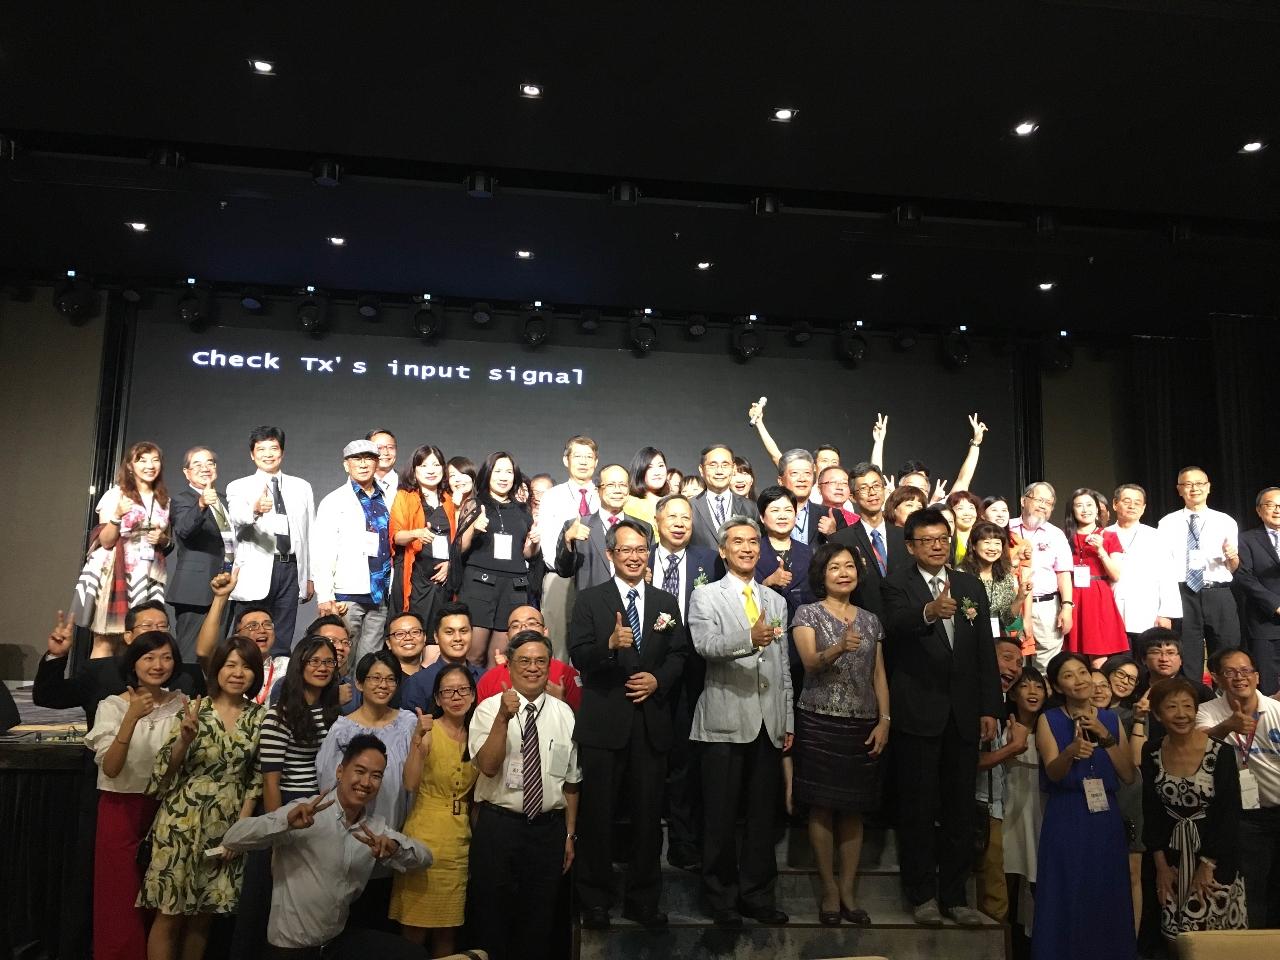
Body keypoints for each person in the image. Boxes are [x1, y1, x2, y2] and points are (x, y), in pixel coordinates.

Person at [882, 507, 1001, 927]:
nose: (936, 546)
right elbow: (894, 626)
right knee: (917, 807)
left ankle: (955, 896)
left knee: (960, 809)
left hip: (965, 713)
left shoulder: (970, 584)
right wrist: (929, 612)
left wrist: (990, 707)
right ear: (911, 546)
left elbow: (985, 648)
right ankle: (922, 895)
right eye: (927, 540)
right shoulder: (896, 583)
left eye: (942, 538)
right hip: (917, 711)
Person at [570, 518, 689, 928]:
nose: (635, 556)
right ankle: (595, 901)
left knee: (647, 819)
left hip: (651, 724)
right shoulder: (590, 600)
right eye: (626, 550)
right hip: (604, 722)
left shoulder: (665, 602)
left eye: (641, 549)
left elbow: (679, 654)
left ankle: (644, 901)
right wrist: (608, 647)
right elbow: (578, 654)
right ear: (610, 556)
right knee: (597, 816)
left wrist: (659, 680)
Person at [222, 734, 431, 959]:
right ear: (340, 772)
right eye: (359, 771)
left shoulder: (373, 828)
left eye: (376, 776)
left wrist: (394, 849)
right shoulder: (306, 813)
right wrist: (285, 823)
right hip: (289, 950)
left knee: (412, 953)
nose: (366, 782)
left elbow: (425, 858)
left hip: (334, 944)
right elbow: (233, 838)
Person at [688, 516, 792, 927]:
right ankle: (721, 900)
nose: (748, 548)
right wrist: (748, 639)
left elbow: (782, 665)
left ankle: (757, 896)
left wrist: (788, 721)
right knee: (720, 817)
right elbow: (705, 646)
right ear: (723, 550)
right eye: (738, 542)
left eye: (753, 542)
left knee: (762, 817)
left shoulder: (776, 600)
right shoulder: (705, 597)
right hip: (724, 721)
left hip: (769, 722)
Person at [140, 636, 266, 960]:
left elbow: (256, 777)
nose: (238, 673)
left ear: (256, 674)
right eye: (230, 665)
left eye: (246, 666)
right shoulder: (196, 709)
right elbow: (161, 773)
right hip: (181, 822)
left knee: (203, 917)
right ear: (217, 669)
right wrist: (183, 740)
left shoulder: (260, 717)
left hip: (226, 825)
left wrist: (239, 831)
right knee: (169, 913)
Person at [790, 542, 889, 926]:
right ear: (822, 575)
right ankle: (829, 890)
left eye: (850, 566)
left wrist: (885, 720)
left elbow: (878, 674)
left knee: (854, 809)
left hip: (863, 722)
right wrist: (838, 648)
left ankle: (849, 889)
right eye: (835, 567)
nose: (844, 572)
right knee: (822, 807)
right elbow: (811, 663)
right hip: (818, 720)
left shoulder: (870, 619)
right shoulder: (806, 613)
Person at [467, 630, 581, 960]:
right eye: (524, 661)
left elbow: (571, 782)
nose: (533, 668)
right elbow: (488, 767)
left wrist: (570, 834)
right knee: (492, 918)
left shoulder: (564, 714)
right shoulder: (488, 710)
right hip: (499, 826)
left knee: (540, 920)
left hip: (548, 830)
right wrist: (504, 717)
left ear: (549, 666)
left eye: (540, 661)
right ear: (510, 665)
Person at [234, 634, 340, 960]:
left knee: (308, 903)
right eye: (314, 661)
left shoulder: (334, 713)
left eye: (328, 662)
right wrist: (277, 828)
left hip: (323, 812)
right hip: (289, 806)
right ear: (300, 665)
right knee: (270, 902)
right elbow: (270, 780)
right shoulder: (278, 715)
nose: (322, 667)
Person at [84, 631, 188, 960]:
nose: (158, 665)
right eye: (149, 657)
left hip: (167, 808)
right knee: (119, 901)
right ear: (134, 663)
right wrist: (130, 719)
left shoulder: (184, 704)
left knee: (162, 901)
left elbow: (181, 766)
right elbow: (111, 768)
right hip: (120, 807)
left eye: (166, 657)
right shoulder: (112, 706)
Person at [1032, 651, 1137, 960]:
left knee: (1106, 890)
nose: (1078, 680)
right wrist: (1070, 752)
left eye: (1082, 672)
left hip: (1105, 815)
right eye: (1068, 676)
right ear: (1058, 686)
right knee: (1066, 890)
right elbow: (1053, 772)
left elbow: (1129, 774)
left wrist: (1106, 737)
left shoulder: (1110, 719)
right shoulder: (1048, 719)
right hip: (1067, 813)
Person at [646, 493, 719, 870]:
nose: (679, 523)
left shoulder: (708, 560)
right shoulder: (639, 557)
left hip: (693, 667)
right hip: (646, 665)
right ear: (657, 522)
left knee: (684, 756)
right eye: (672, 517)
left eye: (686, 518)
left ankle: (683, 838)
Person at [1143, 675, 1246, 940]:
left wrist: (1207, 864)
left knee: (1215, 936)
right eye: (1172, 707)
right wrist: (1161, 866)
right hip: (1172, 858)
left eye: (1188, 706)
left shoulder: (1219, 752)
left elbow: (1229, 813)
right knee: (1176, 939)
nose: (1182, 714)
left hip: (1216, 855)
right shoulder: (1151, 751)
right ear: (1157, 714)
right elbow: (1151, 809)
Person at [389, 665, 479, 955]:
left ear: (473, 694)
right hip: (424, 838)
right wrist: (417, 741)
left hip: (458, 843)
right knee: (413, 930)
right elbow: (410, 783)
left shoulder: (477, 737)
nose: (456, 696)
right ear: (437, 699)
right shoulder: (428, 731)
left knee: (448, 930)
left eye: (463, 690)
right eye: (448, 691)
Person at [1197, 647, 1280, 928]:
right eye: (1230, 672)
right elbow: (1196, 748)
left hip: (1278, 809)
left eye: (1245, 671)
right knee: (1252, 888)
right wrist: (1227, 726)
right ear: (1217, 678)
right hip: (1243, 819)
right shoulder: (1207, 711)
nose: (1239, 678)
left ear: (1257, 676)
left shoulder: (1276, 710)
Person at [74, 441, 172, 634]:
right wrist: (117, 516)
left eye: (155, 460)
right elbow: (106, 541)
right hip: (116, 572)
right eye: (142, 460)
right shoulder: (115, 495)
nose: (150, 465)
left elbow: (166, 541)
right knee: (107, 638)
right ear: (130, 466)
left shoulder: (164, 500)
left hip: (149, 574)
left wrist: (161, 539)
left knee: (142, 638)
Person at [312, 440, 393, 666]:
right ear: (346, 465)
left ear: (377, 463)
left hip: (380, 594)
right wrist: (325, 595)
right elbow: (322, 549)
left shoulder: (387, 496)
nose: (363, 464)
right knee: (340, 659)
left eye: (369, 458)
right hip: (346, 596)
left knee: (369, 663)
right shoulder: (334, 500)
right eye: (357, 459)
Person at [1157, 466, 1241, 681]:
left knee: (1226, 651)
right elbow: (1163, 565)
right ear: (1179, 490)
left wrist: (1232, 557)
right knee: (1188, 654)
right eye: (1188, 484)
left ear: (1208, 487)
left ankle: (1227, 703)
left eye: (1199, 483)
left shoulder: (1225, 521)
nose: (1194, 488)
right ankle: (1194, 705)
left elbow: (1233, 567)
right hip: (1183, 593)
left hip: (1218, 593)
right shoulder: (1167, 523)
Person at [458, 451, 541, 667]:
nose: (504, 477)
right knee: (474, 655)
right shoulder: (475, 504)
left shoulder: (523, 511)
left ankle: (494, 700)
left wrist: (534, 543)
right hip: (479, 586)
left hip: (513, 588)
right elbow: (459, 548)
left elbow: (527, 554)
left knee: (500, 659)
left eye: (509, 472)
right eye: (498, 471)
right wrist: (473, 529)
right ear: (488, 474)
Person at [317, 651, 417, 830]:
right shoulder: (342, 730)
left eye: (390, 679)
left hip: (396, 828)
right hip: (348, 830)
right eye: (375, 678)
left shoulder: (408, 724)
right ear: (359, 683)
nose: (383, 685)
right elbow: (328, 783)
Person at [975, 638, 1030, 923]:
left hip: (996, 810)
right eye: (1007, 658)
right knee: (992, 899)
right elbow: (969, 765)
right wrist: (1012, 749)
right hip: (977, 808)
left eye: (1020, 663)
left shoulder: (1001, 709)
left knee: (997, 898)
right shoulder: (973, 704)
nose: (1015, 668)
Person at [536, 436, 601, 661]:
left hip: (597, 577)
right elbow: (546, 539)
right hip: (560, 578)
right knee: (557, 647)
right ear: (566, 460)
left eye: (589, 457)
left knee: (597, 640)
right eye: (577, 456)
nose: (583, 462)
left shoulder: (604, 494)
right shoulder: (553, 496)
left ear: (596, 461)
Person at [167, 446, 234, 660]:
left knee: (217, 656)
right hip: (195, 590)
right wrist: (202, 503)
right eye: (197, 464)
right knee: (190, 655)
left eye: (210, 463)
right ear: (186, 472)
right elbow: (184, 530)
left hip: (226, 586)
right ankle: (185, 694)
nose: (205, 468)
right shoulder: (182, 500)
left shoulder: (225, 501)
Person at [1106, 484, 1182, 653]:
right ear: (1115, 504)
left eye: (1137, 502)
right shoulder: (1103, 535)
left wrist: (1166, 613)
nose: (1132, 506)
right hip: (1111, 609)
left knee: (1147, 662)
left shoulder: (1156, 536)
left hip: (1147, 611)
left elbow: (1168, 577)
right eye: (1127, 501)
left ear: (1144, 508)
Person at [830, 462, 909, 622]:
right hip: (862, 625)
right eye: (864, 488)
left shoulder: (904, 536)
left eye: (876, 486)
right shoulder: (841, 540)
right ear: (852, 496)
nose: (872, 493)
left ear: (884, 490)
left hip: (906, 625)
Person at [1008, 482, 1074, 671]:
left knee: (1048, 665)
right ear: (1023, 500)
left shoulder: (1056, 535)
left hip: (1046, 607)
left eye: (1049, 503)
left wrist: (1067, 607)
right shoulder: (1006, 528)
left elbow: (1063, 574)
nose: (1043, 506)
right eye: (1039, 500)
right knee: (1011, 660)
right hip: (1011, 605)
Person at [388, 443, 453, 637]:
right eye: (424, 466)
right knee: (413, 631)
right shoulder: (404, 497)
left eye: (435, 465)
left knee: (439, 634)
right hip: (415, 576)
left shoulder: (450, 499)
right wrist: (416, 533)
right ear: (414, 470)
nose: (430, 470)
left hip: (443, 579)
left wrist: (451, 563)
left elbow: (458, 541)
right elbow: (396, 536)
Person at [555, 463, 652, 591]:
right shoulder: (576, 526)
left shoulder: (643, 528)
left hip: (632, 605)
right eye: (611, 485)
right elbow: (563, 571)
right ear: (597, 490)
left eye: (623, 485)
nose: (618, 490)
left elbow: (649, 571)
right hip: (591, 607)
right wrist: (568, 541)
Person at [1002, 666, 1047, 939]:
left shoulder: (1052, 727)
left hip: (1042, 807)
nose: (1033, 692)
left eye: (1039, 686)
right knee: (1006, 875)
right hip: (1010, 806)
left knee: (1038, 880)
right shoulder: (1001, 724)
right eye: (1026, 686)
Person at [1064, 488, 1129, 664]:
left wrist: (1100, 550)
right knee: (1072, 658)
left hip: (1098, 597)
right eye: (1079, 505)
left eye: (1089, 505)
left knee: (1098, 657)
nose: (1085, 510)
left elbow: (1115, 574)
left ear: (1097, 509)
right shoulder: (1064, 538)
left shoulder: (1109, 536)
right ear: (1072, 510)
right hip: (1071, 595)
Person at [476, 605, 583, 711]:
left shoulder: (566, 674)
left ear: (545, 632)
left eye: (531, 623)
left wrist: (561, 703)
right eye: (515, 625)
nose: (523, 629)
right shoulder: (489, 679)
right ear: (507, 636)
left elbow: (582, 721)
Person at [1232, 486, 1280, 694]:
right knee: (1268, 683)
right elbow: (1244, 576)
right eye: (1270, 505)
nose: (1277, 510)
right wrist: (1275, 604)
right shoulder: (1247, 539)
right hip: (1264, 622)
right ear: (1259, 510)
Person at [401, 603, 486, 714]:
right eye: (449, 632)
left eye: (463, 631)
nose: (458, 638)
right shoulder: (418, 683)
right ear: (436, 637)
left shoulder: (485, 677)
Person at [961, 520, 1031, 639]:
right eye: (987, 542)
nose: (993, 548)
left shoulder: (1005, 576)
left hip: (998, 638)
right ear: (973, 545)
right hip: (968, 637)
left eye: (997, 543)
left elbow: (1007, 620)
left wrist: (1020, 598)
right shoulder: (961, 574)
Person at [755, 486, 815, 620]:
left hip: (803, 628)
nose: (782, 516)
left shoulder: (808, 552)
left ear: (795, 515)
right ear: (762, 517)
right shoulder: (752, 552)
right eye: (775, 510)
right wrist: (768, 582)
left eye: (788, 510)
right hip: (765, 626)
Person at [689, 444, 759, 551]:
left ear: (733, 468)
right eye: (713, 465)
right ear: (701, 469)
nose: (719, 471)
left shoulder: (751, 508)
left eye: (725, 465)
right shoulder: (689, 507)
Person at [777, 449, 821, 546]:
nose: (802, 479)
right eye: (795, 473)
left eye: (807, 473)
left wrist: (832, 534)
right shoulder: (766, 516)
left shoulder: (828, 515)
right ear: (780, 481)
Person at [624, 446, 669, 525]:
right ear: (640, 471)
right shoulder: (629, 503)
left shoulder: (673, 503)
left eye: (661, 466)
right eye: (649, 467)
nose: (657, 472)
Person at [385, 612, 428, 687]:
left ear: (424, 638)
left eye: (415, 632)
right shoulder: (384, 681)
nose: (408, 638)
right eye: (400, 634)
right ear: (389, 643)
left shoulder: (434, 677)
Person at [946, 489, 983, 567]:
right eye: (960, 508)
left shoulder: (983, 536)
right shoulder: (946, 539)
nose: (967, 513)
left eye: (971, 508)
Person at [366, 428, 399, 500]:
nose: (386, 453)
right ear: (367, 452)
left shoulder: (410, 484)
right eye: (379, 448)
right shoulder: (358, 485)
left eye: (390, 447)